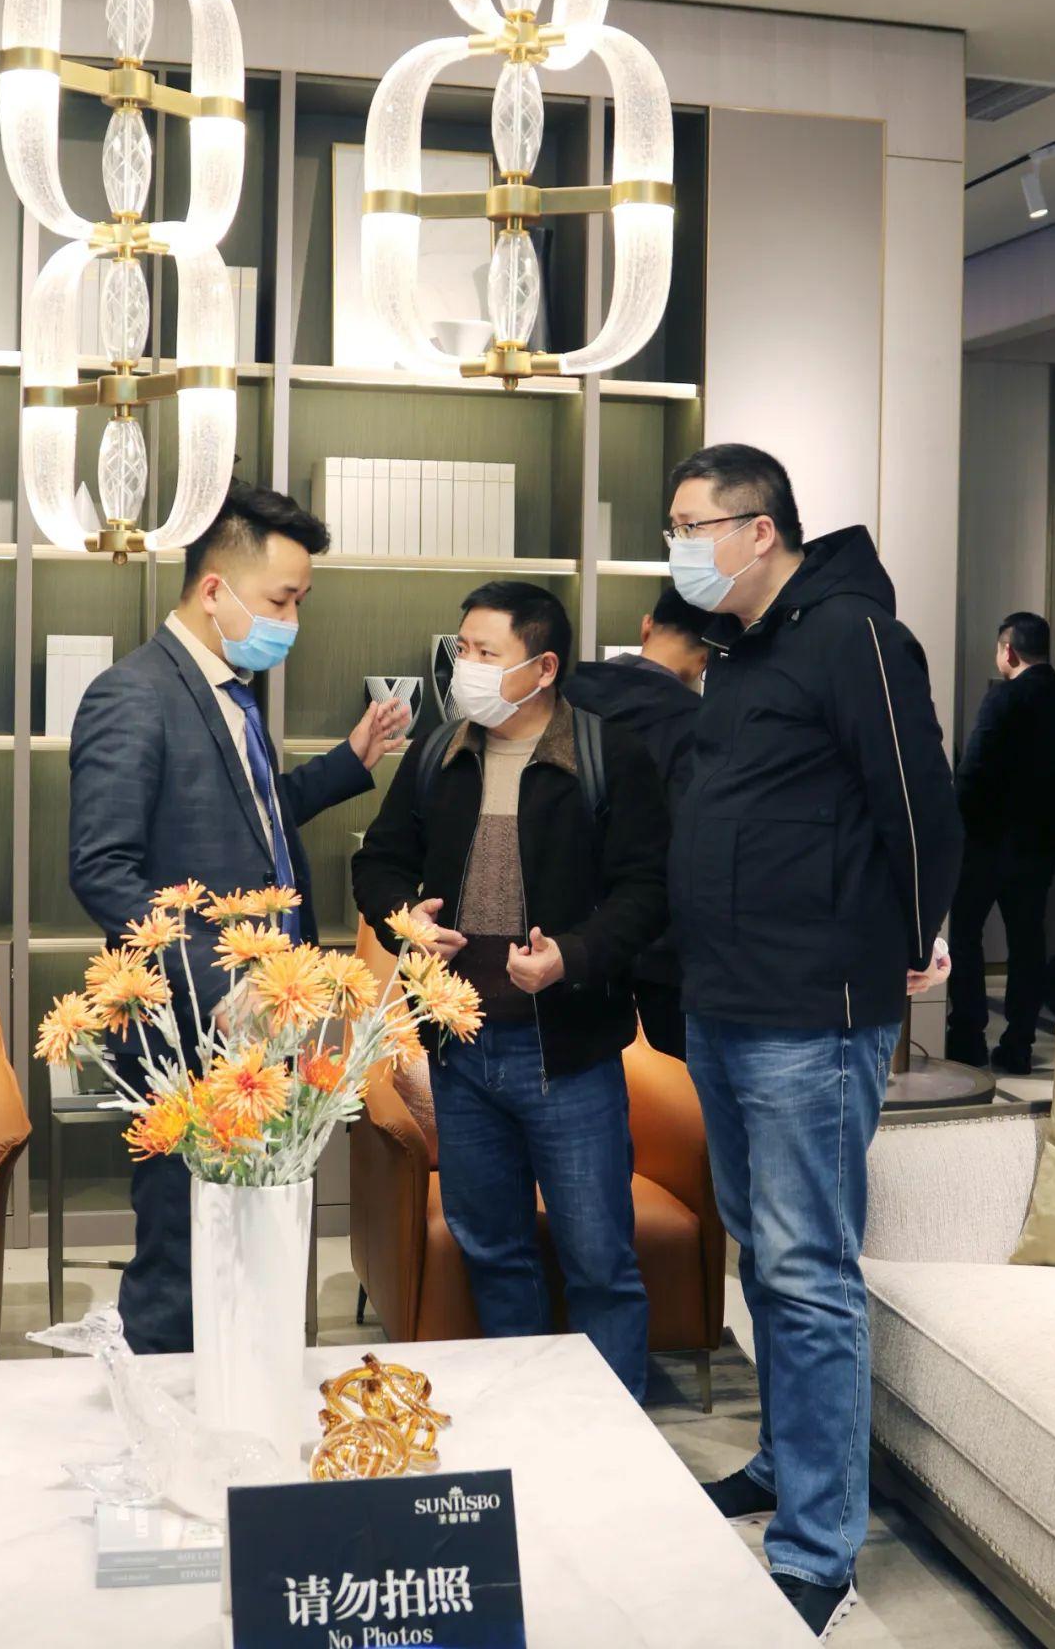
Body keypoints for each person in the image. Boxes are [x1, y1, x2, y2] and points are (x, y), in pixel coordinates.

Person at [666, 445, 961, 1640]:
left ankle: (820, 1545)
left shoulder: (854, 635)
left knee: (808, 1271)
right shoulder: (742, 650)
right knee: (763, 1255)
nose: (680, 547)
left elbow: (920, 802)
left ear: (761, 528)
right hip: (726, 1001)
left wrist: (916, 934)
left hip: (811, 1012)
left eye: (694, 525)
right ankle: (787, 1465)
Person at [69, 480, 406, 1354]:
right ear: (214, 589)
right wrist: (217, 986)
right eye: (280, 600)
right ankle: (165, 1416)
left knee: (248, 1250)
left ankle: (239, 1405)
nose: (291, 620)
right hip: (195, 1025)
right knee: (183, 1251)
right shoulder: (132, 694)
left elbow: (249, 820)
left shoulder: (228, 689)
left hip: (261, 1025)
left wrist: (349, 761)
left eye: (300, 602)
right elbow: (102, 869)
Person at [352, 580, 669, 1401]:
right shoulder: (440, 753)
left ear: (543, 668)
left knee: (599, 1262)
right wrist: (404, 920)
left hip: (566, 1054)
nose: (466, 666)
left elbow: (647, 890)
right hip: (460, 1051)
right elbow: (378, 861)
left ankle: (609, 1438)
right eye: (462, 649)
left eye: (486, 653)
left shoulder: (608, 755)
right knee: (493, 1251)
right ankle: (525, 1422)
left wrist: (573, 955)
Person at [566, 585, 708, 1058]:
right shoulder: (698, 727)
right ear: (706, 658)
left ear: (646, 626)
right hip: (656, 956)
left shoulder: (562, 695)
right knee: (669, 1095)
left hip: (560, 943)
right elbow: (688, 846)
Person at [946, 612, 1055, 1074]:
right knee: (1028, 941)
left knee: (965, 935)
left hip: (986, 842)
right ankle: (1019, 1044)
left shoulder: (1004, 698)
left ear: (1008, 651)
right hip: (1039, 846)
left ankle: (968, 1037)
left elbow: (973, 772)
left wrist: (954, 824)